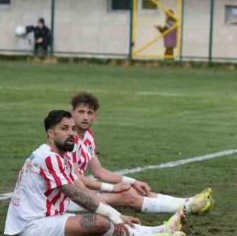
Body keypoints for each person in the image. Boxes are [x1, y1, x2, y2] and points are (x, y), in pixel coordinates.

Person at [4, 110, 187, 236]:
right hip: (34, 227)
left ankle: (159, 230)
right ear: (51, 133)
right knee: (100, 221)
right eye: (64, 128)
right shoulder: (48, 157)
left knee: (104, 218)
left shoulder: (61, 155)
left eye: (73, 129)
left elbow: (82, 187)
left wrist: (117, 214)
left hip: (51, 218)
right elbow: (76, 195)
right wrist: (113, 214)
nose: (71, 133)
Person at [67, 92, 215, 216]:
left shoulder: (88, 136)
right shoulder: (68, 139)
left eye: (89, 113)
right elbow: (78, 179)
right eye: (81, 112)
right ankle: (187, 208)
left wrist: (133, 182)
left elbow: (99, 171)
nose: (85, 117)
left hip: (82, 189)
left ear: (95, 116)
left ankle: (187, 201)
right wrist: (113, 188)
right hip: (68, 198)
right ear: (72, 113)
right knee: (126, 195)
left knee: (134, 189)